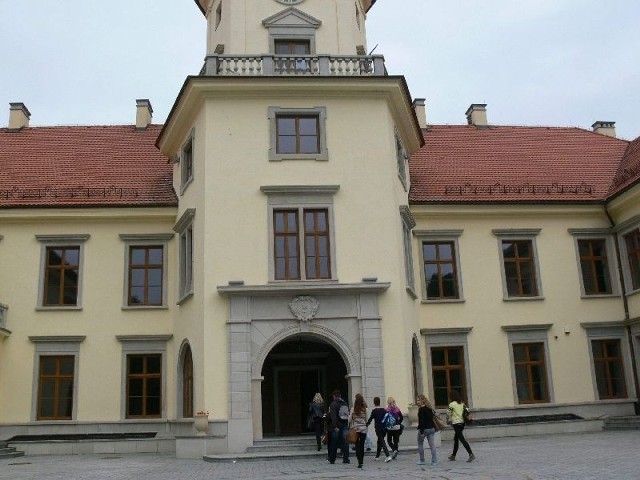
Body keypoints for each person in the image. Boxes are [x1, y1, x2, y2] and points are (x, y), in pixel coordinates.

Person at [447, 390, 475, 462]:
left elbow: (449, 413)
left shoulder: (452, 404)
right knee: (456, 439)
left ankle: (471, 454)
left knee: (462, 439)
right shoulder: (462, 404)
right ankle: (453, 456)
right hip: (462, 423)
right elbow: (467, 412)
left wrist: (447, 418)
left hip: (456, 423)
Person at [366, 396, 392, 462]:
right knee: (379, 441)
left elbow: (370, 419)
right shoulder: (384, 410)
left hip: (378, 428)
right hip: (384, 428)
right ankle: (377, 456)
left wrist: (366, 425)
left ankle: (388, 455)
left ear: (374, 403)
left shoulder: (374, 411)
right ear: (379, 402)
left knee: (382, 441)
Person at [328, 389, 350, 464]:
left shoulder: (333, 404)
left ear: (334, 396)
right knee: (345, 442)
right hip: (345, 424)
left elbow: (333, 417)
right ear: (340, 395)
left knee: (334, 443)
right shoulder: (345, 403)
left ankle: (332, 459)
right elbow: (348, 414)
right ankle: (346, 459)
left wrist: (334, 426)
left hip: (337, 425)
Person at [416, 394, 437, 466]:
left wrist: (421, 431)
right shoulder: (429, 408)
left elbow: (421, 421)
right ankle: (434, 461)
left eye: (418, 400)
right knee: (432, 445)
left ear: (422, 401)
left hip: (424, 429)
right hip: (431, 428)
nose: (417, 401)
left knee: (420, 444)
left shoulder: (421, 409)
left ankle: (422, 460)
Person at [350, 393, 368, 468]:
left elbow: (350, 419)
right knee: (362, 445)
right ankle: (362, 460)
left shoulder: (353, 409)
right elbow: (366, 419)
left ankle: (359, 461)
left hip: (356, 429)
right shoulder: (365, 409)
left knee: (357, 445)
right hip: (363, 429)